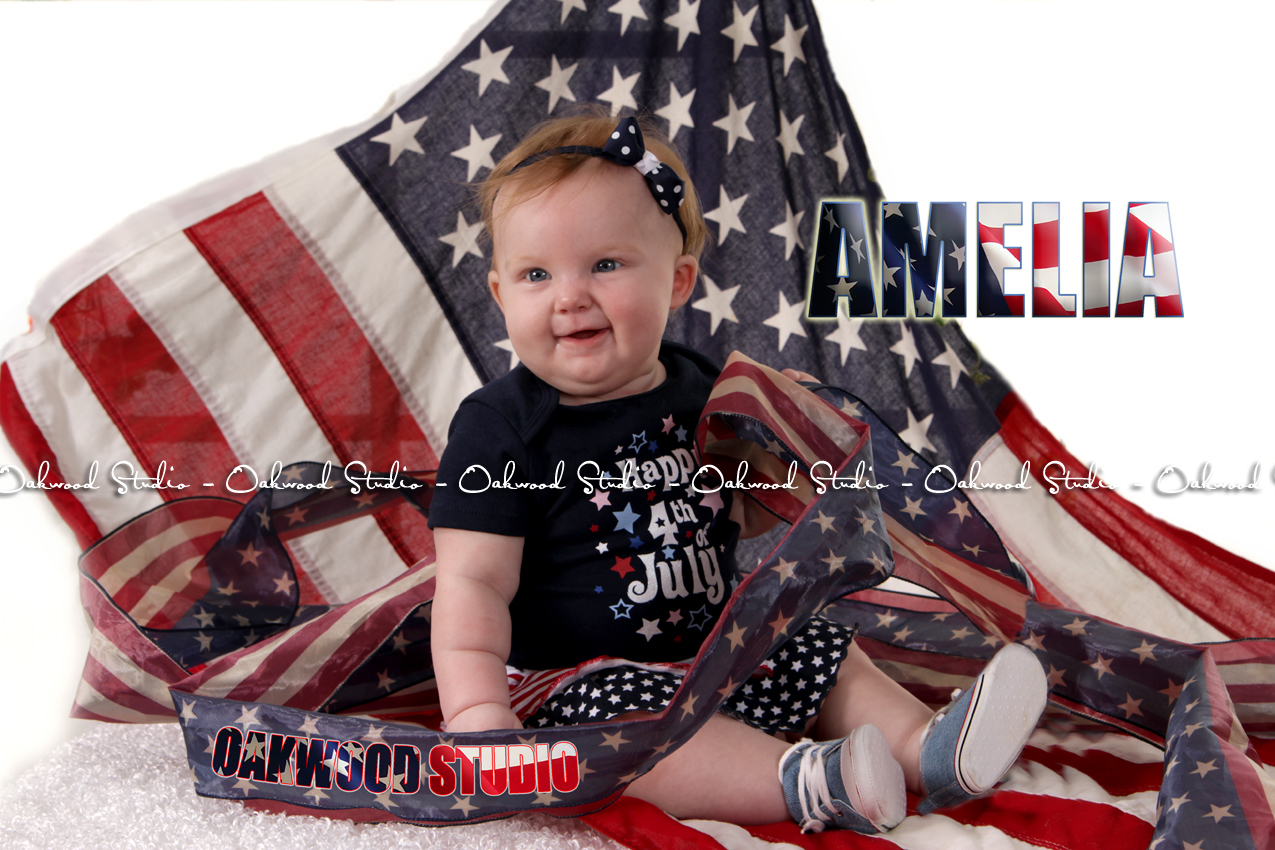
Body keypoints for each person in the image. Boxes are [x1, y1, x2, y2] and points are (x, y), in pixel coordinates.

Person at [427, 108, 1047, 834]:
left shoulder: (704, 390)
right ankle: (807, 783)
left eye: (605, 265)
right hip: (576, 678)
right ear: (501, 295)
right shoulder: (500, 427)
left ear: (677, 280)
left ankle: (927, 749)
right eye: (536, 274)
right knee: (633, 740)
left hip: (712, 653)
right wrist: (476, 713)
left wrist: (788, 468)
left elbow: (739, 507)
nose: (569, 296)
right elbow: (472, 580)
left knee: (814, 643)